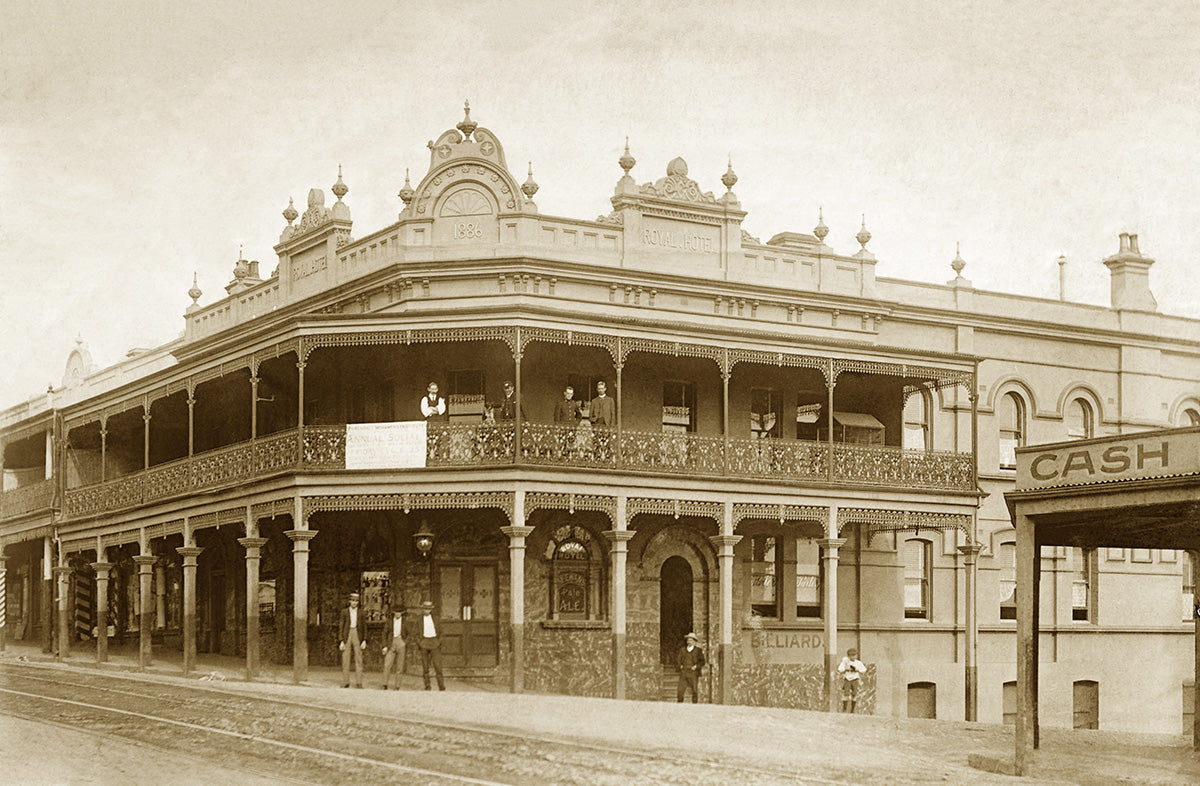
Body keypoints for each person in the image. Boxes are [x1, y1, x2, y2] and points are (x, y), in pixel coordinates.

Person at [407, 599, 446, 691]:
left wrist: (438, 641)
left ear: (431, 609)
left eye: (428, 609)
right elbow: (415, 633)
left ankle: (441, 686)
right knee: (425, 666)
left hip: (434, 643)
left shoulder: (436, 619)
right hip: (424, 643)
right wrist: (420, 643)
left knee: (438, 666)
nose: (426, 610)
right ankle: (427, 686)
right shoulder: (419, 619)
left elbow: (442, 632)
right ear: (422, 609)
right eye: (425, 608)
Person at [338, 592, 366, 688]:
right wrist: (341, 640)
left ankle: (359, 682)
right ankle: (346, 681)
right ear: (349, 601)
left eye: (356, 601)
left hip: (357, 634)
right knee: (346, 658)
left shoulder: (361, 612)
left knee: (359, 658)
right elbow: (341, 626)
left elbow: (364, 627)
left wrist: (364, 640)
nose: (354, 603)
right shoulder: (344, 612)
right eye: (352, 601)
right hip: (347, 634)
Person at [380, 606, 407, 690]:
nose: (397, 614)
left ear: (402, 613)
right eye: (396, 612)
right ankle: (385, 684)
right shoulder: (389, 621)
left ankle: (397, 685)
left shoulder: (405, 622)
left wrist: (404, 642)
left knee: (400, 666)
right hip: (391, 643)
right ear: (393, 613)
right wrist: (384, 646)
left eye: (399, 612)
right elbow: (384, 633)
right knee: (387, 664)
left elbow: (410, 633)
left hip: (401, 642)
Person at [676, 632, 706, 703]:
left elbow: (702, 661)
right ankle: (679, 704)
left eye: (691, 640)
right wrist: (680, 665)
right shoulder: (682, 650)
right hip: (684, 672)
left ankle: (694, 705)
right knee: (680, 690)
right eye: (688, 640)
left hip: (693, 673)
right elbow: (678, 659)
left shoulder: (698, 651)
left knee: (694, 690)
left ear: (694, 642)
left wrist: (696, 666)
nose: (689, 642)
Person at [838, 647, 866, 713]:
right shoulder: (845, 662)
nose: (853, 657)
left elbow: (864, 670)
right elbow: (840, 669)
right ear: (848, 656)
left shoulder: (858, 663)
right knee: (846, 694)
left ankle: (852, 710)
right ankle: (844, 709)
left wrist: (857, 670)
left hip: (855, 679)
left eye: (855, 655)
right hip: (847, 678)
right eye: (851, 655)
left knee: (854, 694)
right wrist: (846, 669)